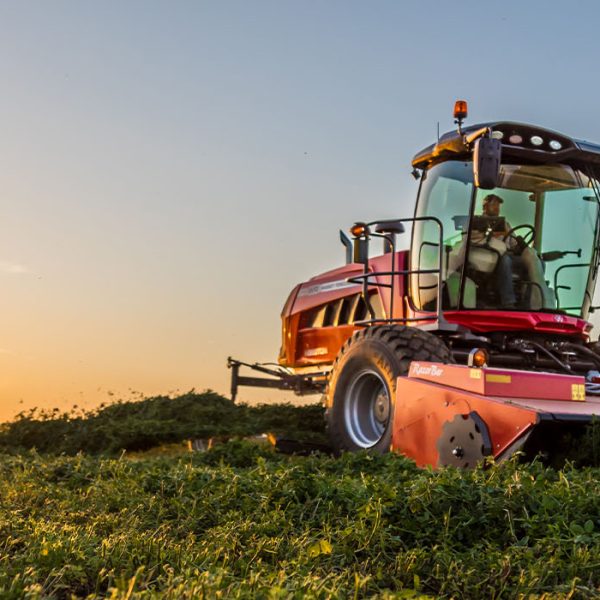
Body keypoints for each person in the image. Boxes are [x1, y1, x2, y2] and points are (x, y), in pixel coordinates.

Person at [478, 194, 554, 309]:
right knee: (505, 260)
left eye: (498, 205)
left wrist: (519, 245)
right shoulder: (477, 223)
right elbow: (477, 240)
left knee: (539, 263)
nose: (497, 208)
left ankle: (529, 303)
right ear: (485, 206)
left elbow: (513, 242)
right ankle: (508, 302)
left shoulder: (505, 224)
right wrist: (492, 234)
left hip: (509, 255)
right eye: (494, 205)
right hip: (491, 257)